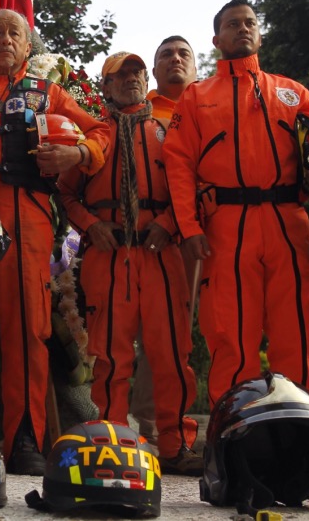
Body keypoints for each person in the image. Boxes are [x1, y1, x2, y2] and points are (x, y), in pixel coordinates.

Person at [163, 0, 309, 410]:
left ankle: (305, 428)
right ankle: (234, 430)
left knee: (298, 328)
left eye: (249, 23)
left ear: (259, 34)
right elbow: (178, 165)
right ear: (217, 38)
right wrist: (189, 228)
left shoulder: (292, 91)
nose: (242, 29)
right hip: (225, 225)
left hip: (288, 221)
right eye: (232, 24)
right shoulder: (196, 97)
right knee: (229, 332)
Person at [0, 9, 109, 475]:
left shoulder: (50, 93)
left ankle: (25, 437)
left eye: (15, 34)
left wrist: (77, 152)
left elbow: (101, 129)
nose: (6, 40)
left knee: (29, 331)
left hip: (28, 213)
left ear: (28, 48)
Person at [58, 51, 202, 475]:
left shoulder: (168, 129)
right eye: (120, 76)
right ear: (105, 86)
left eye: (137, 72)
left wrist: (171, 222)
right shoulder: (94, 137)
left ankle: (175, 445)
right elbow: (66, 195)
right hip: (109, 254)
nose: (131, 79)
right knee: (109, 356)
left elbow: (192, 183)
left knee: (172, 353)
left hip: (161, 253)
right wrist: (88, 225)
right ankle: (112, 441)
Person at [129, 35, 200, 448]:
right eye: (166, 55)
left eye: (183, 54)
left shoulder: (210, 109)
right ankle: (142, 424)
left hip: (194, 237)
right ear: (153, 71)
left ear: (195, 67)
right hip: (137, 238)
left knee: (182, 337)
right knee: (132, 336)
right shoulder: (139, 112)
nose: (175, 60)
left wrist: (175, 222)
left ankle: (171, 427)